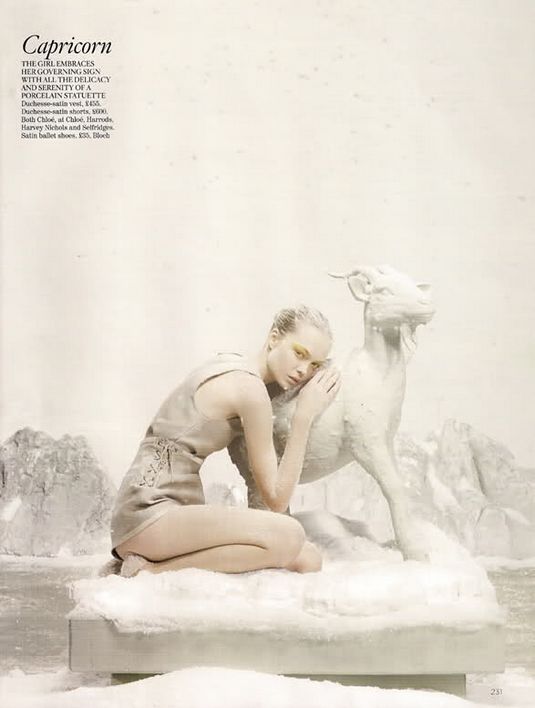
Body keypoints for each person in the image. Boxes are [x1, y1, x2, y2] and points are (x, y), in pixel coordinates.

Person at [110, 305, 341, 577]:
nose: (303, 370)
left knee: (308, 558)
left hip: (156, 517)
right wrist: (304, 417)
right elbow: (277, 500)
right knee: (290, 535)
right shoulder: (250, 390)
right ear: (274, 338)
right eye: (299, 353)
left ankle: (146, 563)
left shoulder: (231, 365)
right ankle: (150, 570)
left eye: (314, 365)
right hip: (148, 514)